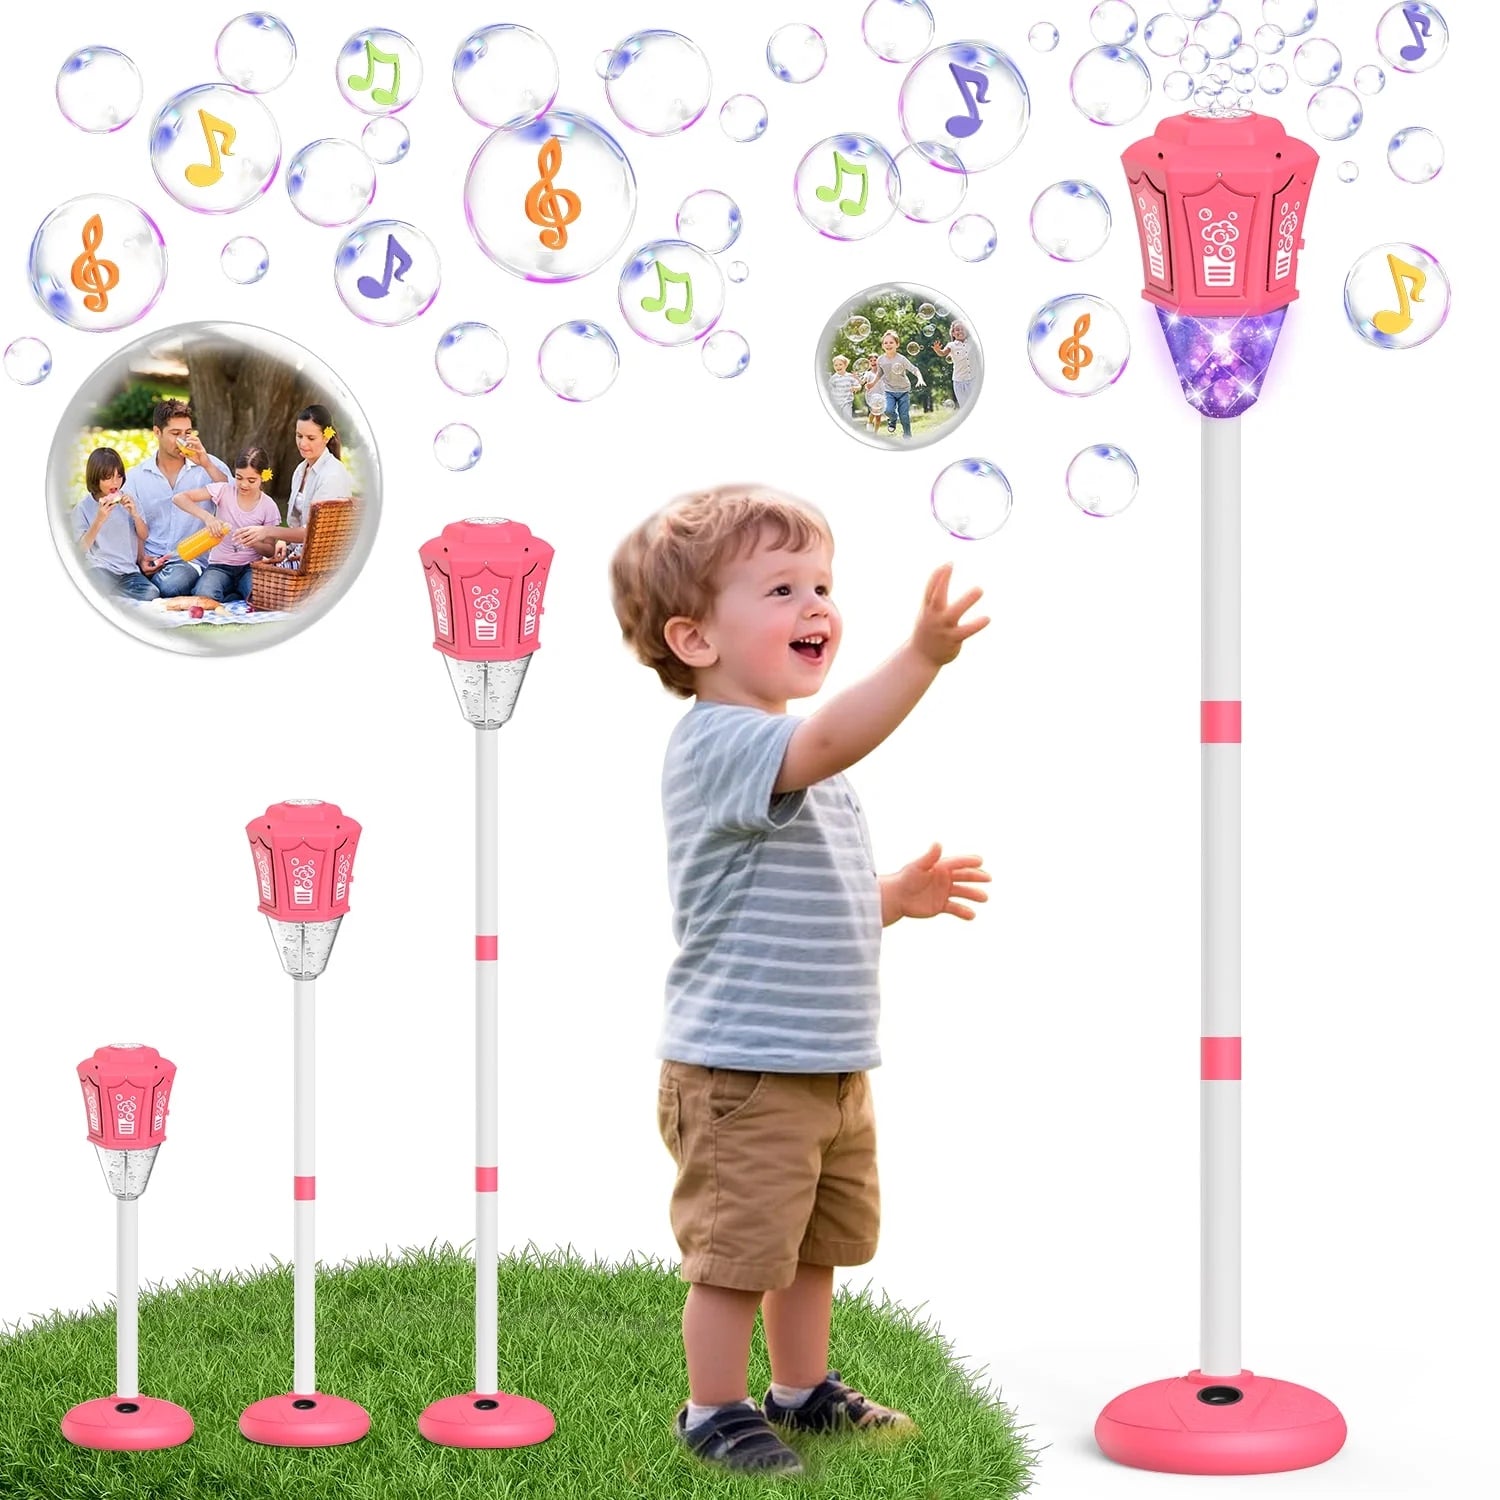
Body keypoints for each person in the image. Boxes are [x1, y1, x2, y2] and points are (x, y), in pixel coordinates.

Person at [609, 485, 991, 1476]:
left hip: (825, 1067)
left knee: (810, 1247)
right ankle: (714, 1409)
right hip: (743, 1073)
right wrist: (921, 660)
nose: (816, 605)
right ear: (696, 640)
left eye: (822, 583)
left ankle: (800, 1391)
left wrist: (891, 894)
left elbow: (800, 897)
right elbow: (830, 737)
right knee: (738, 1256)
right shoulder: (725, 741)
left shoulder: (789, 759)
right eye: (781, 588)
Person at [121, 399, 230, 599]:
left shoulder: (209, 465)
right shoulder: (137, 477)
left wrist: (206, 464)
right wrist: (140, 558)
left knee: (172, 585)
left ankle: (147, 588)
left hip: (189, 559)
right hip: (151, 557)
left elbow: (234, 496)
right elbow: (129, 525)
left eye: (187, 433)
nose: (183, 440)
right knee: (160, 583)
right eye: (175, 433)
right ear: (157, 432)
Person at [170, 446, 282, 602]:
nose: (243, 484)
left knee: (261, 597)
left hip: (250, 568)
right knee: (204, 595)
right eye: (239, 477)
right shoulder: (224, 490)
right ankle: (232, 594)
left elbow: (270, 551)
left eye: (251, 480)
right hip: (219, 566)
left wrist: (254, 542)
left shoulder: (268, 506)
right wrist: (208, 518)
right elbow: (179, 498)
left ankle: (233, 594)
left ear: (263, 477)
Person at [259, 403, 354, 570]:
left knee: (266, 583)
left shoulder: (332, 475)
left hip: (323, 561)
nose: (303, 443)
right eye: (299, 435)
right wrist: (284, 541)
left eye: (310, 438)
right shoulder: (301, 470)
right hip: (301, 550)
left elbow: (314, 531)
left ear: (326, 437)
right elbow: (297, 525)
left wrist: (268, 531)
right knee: (256, 571)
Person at [72, 447, 157, 601]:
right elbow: (80, 549)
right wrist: (99, 519)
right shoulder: (83, 507)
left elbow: (144, 535)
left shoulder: (130, 500)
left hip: (128, 571)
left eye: (119, 476)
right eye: (108, 477)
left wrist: (135, 514)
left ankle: (110, 596)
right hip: (100, 567)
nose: (115, 482)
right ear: (95, 478)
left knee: (151, 593)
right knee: (91, 586)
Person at [874, 331, 925, 439]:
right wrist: (872, 383)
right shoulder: (880, 360)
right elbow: (880, 373)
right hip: (889, 390)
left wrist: (919, 378)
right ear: (882, 345)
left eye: (891, 342)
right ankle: (893, 419)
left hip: (903, 390)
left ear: (897, 344)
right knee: (888, 410)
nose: (888, 345)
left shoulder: (901, 359)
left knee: (904, 416)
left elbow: (914, 369)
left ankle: (907, 436)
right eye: (886, 343)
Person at [933, 321, 976, 408]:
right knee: (965, 407)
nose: (960, 331)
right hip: (959, 382)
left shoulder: (972, 343)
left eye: (962, 329)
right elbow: (943, 353)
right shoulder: (951, 345)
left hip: (974, 379)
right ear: (953, 333)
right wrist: (938, 350)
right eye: (957, 330)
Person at [858, 354, 886, 436]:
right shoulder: (868, 373)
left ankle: (875, 434)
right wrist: (857, 378)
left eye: (875, 360)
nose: (873, 362)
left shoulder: (882, 372)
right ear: (869, 363)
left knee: (878, 417)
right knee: (874, 411)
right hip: (872, 395)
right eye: (871, 361)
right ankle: (869, 423)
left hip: (881, 395)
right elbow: (862, 382)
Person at [827, 355, 859, 423]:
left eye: (840, 364)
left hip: (847, 402)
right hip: (836, 402)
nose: (838, 366)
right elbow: (829, 389)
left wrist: (856, 387)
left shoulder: (850, 376)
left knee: (848, 418)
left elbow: (858, 385)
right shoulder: (833, 378)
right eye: (836, 365)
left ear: (845, 365)